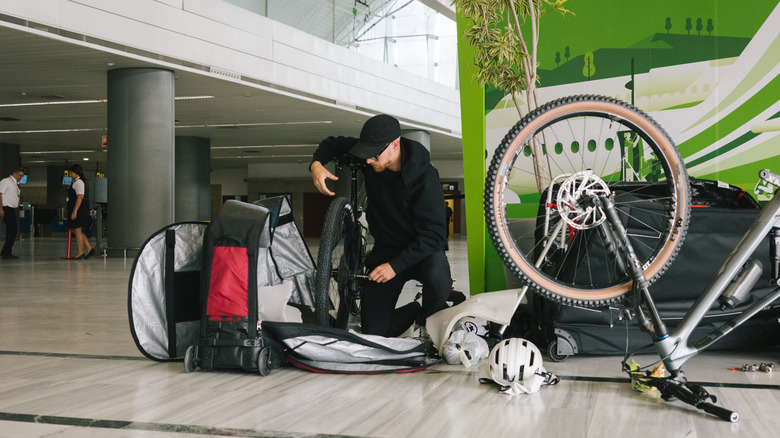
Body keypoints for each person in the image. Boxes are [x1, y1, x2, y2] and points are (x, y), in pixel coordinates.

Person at [310, 114, 452, 337]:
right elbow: (333, 143)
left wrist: (395, 266)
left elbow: (435, 235)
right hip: (387, 249)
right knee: (374, 333)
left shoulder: (425, 177)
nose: (367, 161)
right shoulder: (372, 157)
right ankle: (415, 308)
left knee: (439, 278)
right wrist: (316, 164)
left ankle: (427, 319)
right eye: (366, 154)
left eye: (374, 155)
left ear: (394, 145)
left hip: (422, 251)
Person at [66, 164, 94, 259]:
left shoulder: (79, 182)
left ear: (74, 172)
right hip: (78, 208)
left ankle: (80, 252)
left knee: (77, 230)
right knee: (76, 229)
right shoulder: (77, 182)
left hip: (79, 209)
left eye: (71, 172)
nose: (70, 174)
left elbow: (80, 197)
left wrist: (75, 211)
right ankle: (89, 248)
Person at [0, 168, 25, 260]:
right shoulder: (6, 181)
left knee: (11, 231)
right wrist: (1, 209)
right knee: (13, 229)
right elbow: (0, 194)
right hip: (6, 208)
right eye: (20, 175)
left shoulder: (15, 183)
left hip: (12, 209)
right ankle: (4, 252)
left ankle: (7, 253)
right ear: (14, 174)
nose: (21, 178)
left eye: (22, 176)